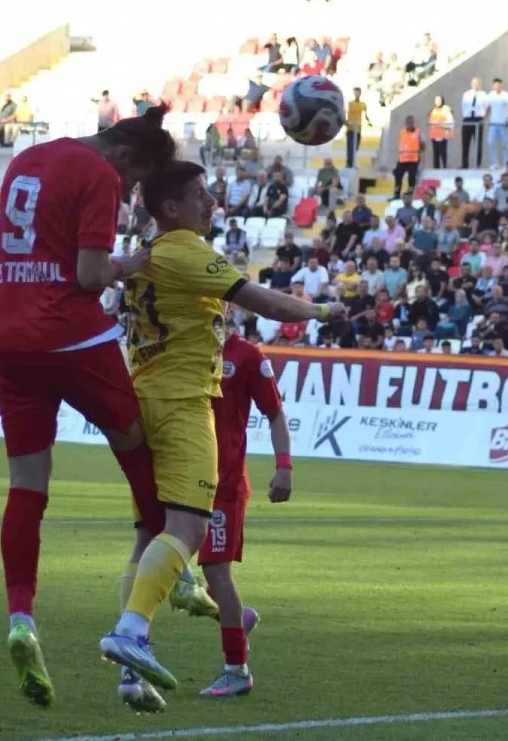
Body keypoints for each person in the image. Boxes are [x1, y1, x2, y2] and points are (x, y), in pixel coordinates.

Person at [99, 160, 346, 701]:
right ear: (171, 209)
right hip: (184, 401)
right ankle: (131, 632)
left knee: (148, 535)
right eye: (200, 194)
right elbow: (264, 301)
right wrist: (326, 309)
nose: (212, 203)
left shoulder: (148, 251)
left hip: (142, 397)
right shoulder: (184, 249)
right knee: (187, 530)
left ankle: (129, 669)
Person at [0, 105, 177, 708]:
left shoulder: (27, 158)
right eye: (136, 179)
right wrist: (133, 265)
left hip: (8, 336)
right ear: (126, 157)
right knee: (141, 452)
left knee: (26, 484)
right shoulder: (98, 174)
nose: (130, 191)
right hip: (68, 334)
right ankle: (176, 577)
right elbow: (92, 275)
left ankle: (22, 619)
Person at [187, 328, 290, 698]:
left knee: (216, 569)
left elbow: (276, 413)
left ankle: (237, 669)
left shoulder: (246, 355)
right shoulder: (185, 344)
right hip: (183, 478)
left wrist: (284, 466)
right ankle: (235, 618)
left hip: (224, 485)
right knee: (165, 557)